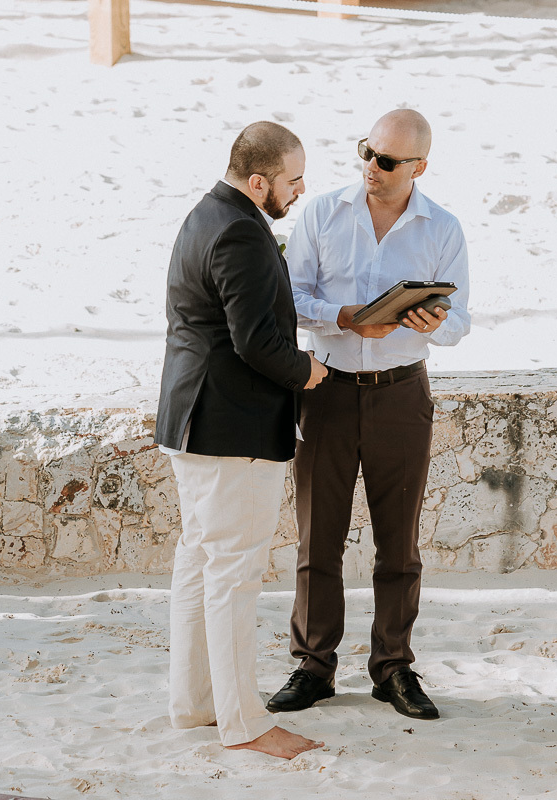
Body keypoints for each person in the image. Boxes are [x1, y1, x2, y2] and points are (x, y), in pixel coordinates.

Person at [270, 109, 471, 721]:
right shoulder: (323, 212)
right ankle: (313, 666)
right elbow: (291, 297)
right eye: (366, 152)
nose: (370, 168)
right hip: (326, 388)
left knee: (399, 543)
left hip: (402, 393)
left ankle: (392, 667)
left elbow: (461, 323)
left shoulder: (443, 228)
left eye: (385, 161)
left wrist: (432, 322)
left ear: (419, 167)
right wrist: (350, 316)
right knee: (317, 538)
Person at [154, 121, 329, 759]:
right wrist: (306, 370)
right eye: (293, 178)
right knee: (233, 573)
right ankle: (245, 724)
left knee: (199, 560)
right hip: (232, 429)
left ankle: (194, 703)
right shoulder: (240, 232)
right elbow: (255, 342)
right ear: (259, 181)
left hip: (192, 419)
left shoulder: (206, 214)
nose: (301, 189)